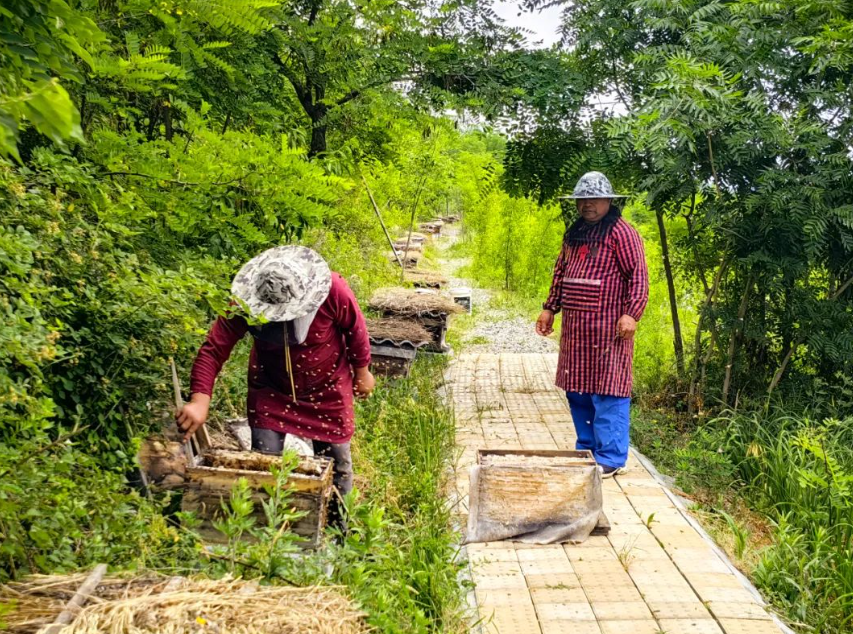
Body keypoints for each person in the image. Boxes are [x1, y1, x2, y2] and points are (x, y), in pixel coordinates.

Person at [176, 245, 375, 518]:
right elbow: (214, 348)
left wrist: (362, 372)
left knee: (338, 465)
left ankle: (339, 531)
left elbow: (356, 329)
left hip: (327, 388)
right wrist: (199, 401)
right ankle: (270, 530)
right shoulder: (244, 302)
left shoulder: (333, 290)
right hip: (270, 389)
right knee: (264, 466)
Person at [536, 172, 649, 478]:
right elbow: (561, 272)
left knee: (608, 392)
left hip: (610, 331)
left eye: (594, 199)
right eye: (582, 200)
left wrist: (632, 314)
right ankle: (587, 448)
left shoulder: (623, 233)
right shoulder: (574, 233)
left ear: (609, 201)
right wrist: (549, 308)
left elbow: (638, 276)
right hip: (576, 331)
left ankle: (611, 457)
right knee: (577, 390)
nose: (587, 205)